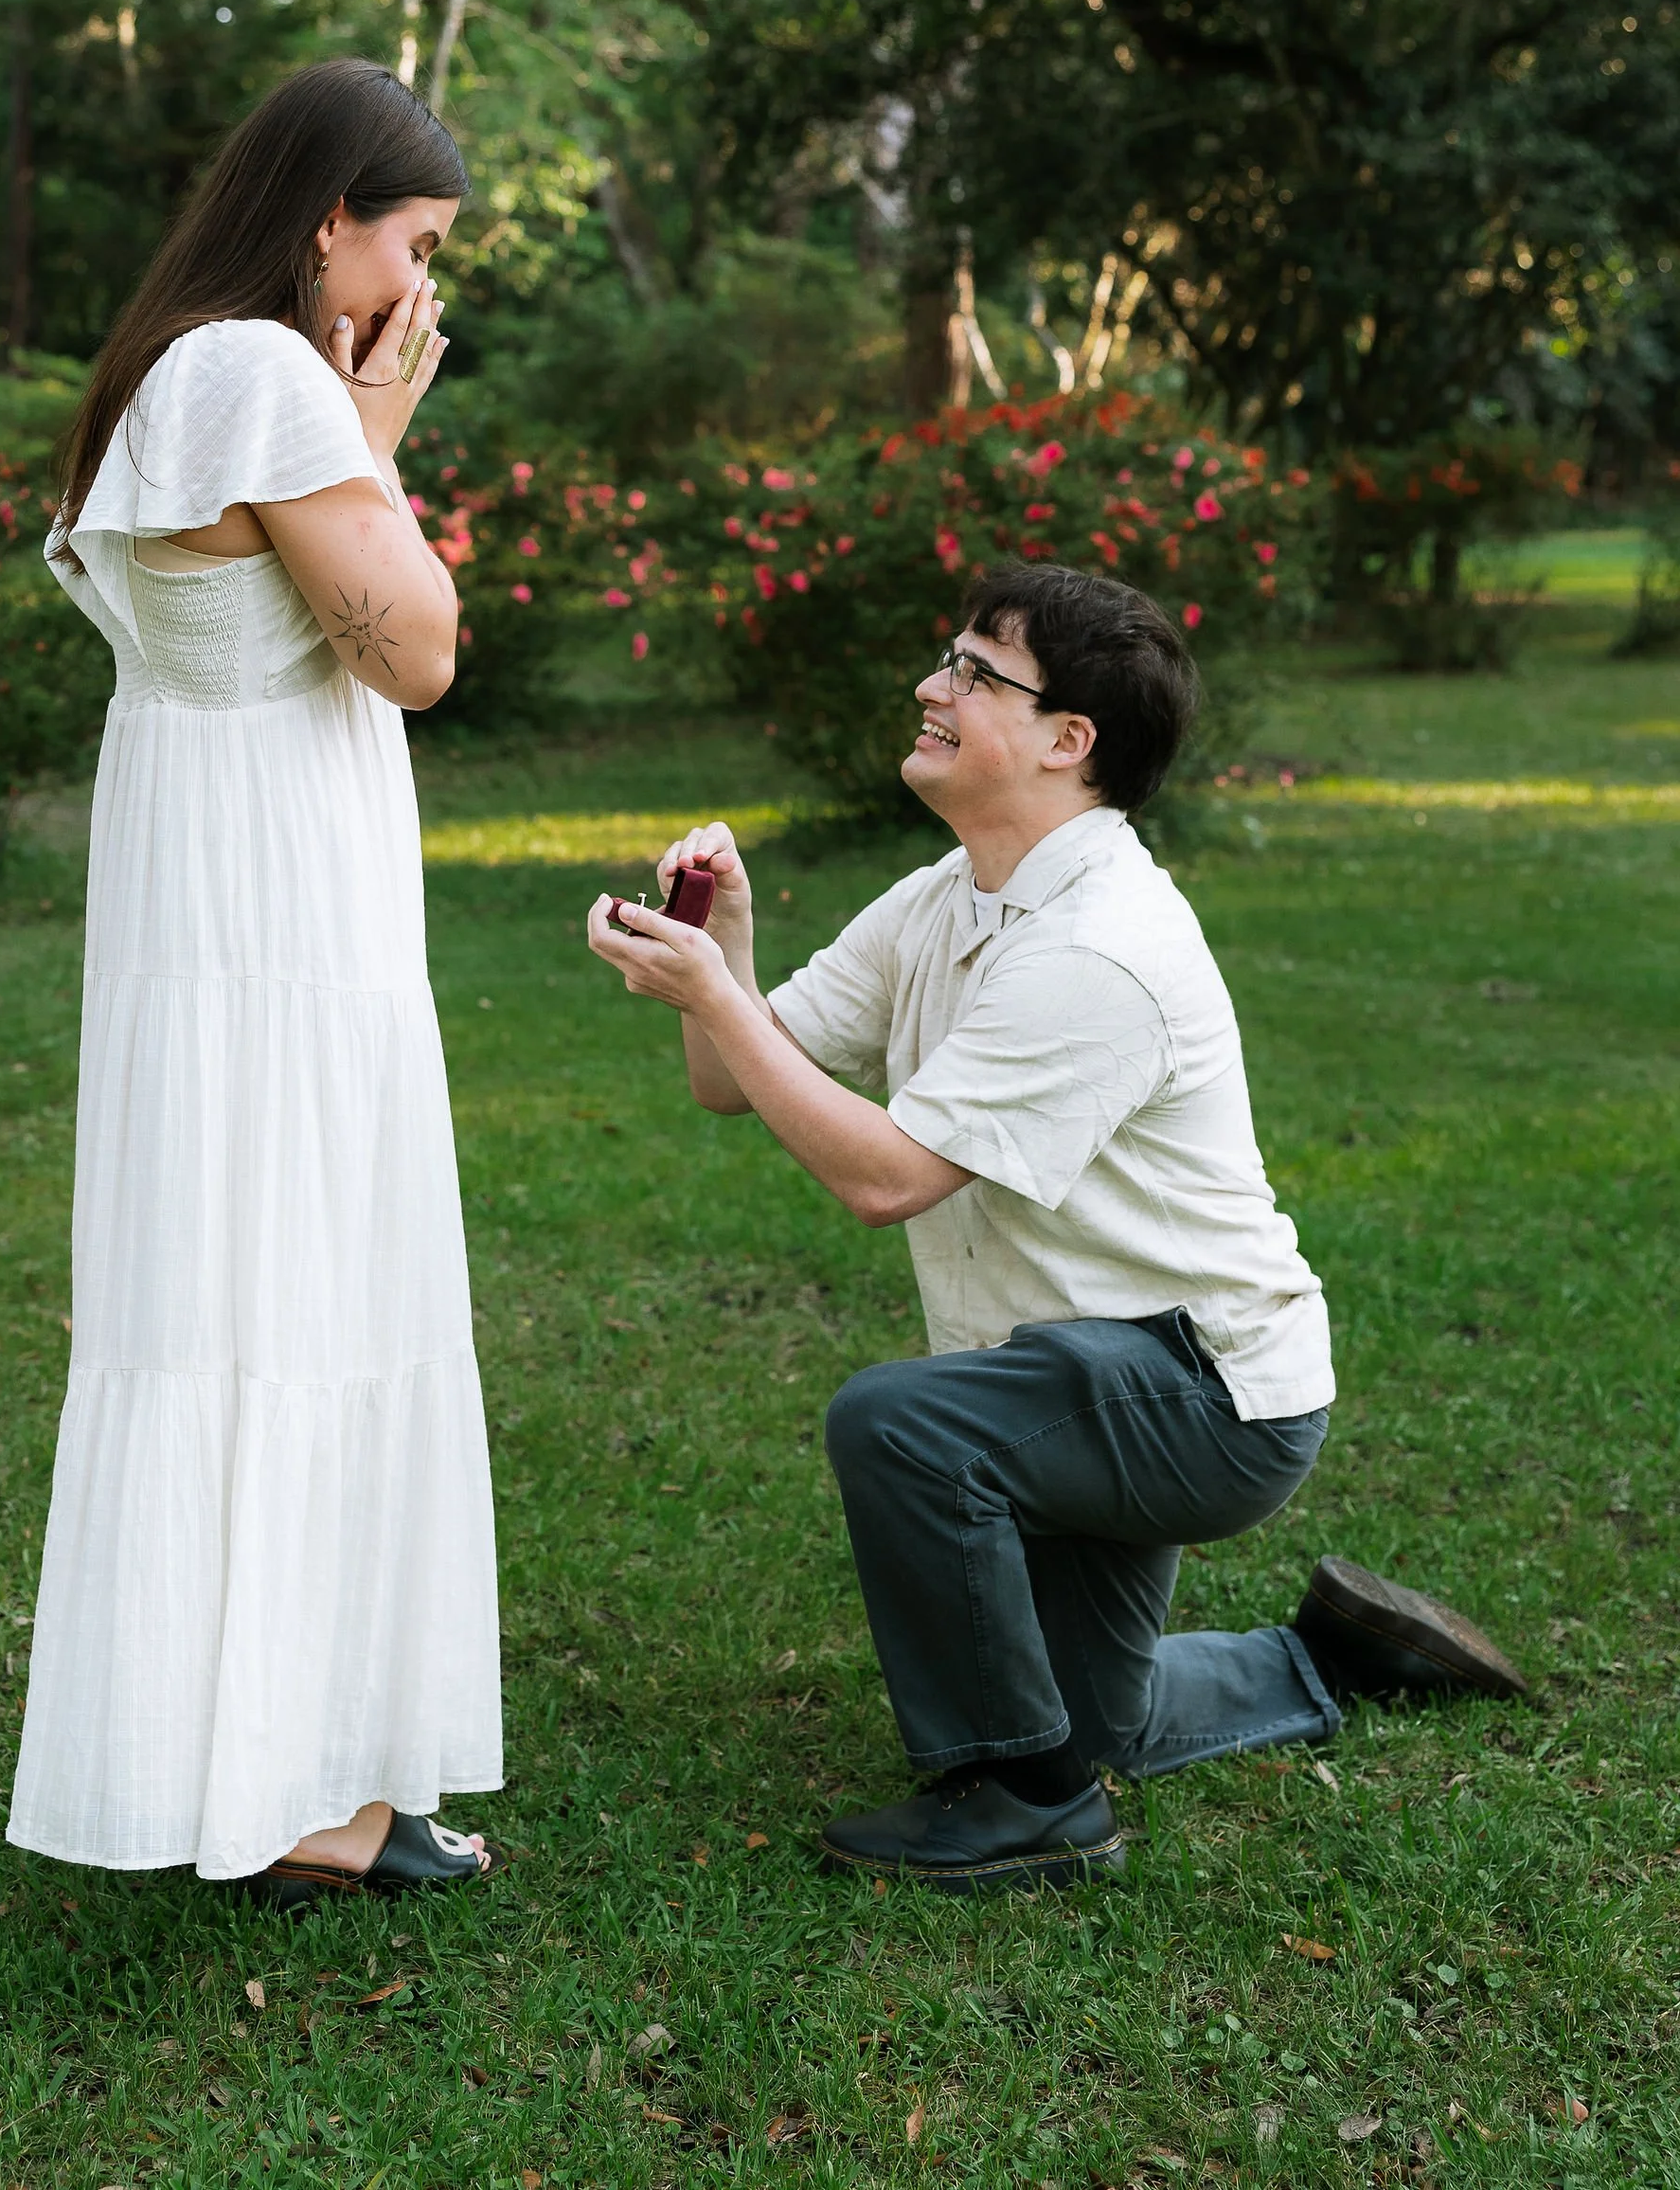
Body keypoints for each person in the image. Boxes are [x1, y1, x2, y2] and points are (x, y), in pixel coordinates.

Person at [586, 561, 1524, 1894]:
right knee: (1100, 1724)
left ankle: (1028, 1808)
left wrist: (713, 994)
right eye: (949, 656)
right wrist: (724, 954)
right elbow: (733, 1081)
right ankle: (1337, 1654)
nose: (933, 685)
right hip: (1076, 1372)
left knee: (898, 1424)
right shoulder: (947, 896)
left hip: (1204, 1394)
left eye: (977, 672)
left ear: (1068, 739)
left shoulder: (1098, 945)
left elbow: (885, 1180)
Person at [9, 61, 502, 1910]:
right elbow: (417, 651)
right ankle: (298, 1798)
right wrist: (373, 437)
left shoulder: (176, 363)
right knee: (297, 1280)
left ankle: (258, 1752)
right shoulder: (271, 377)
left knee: (233, 1281)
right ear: (327, 218)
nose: (417, 294)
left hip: (205, 863)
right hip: (274, 898)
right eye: (413, 247)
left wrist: (357, 436)